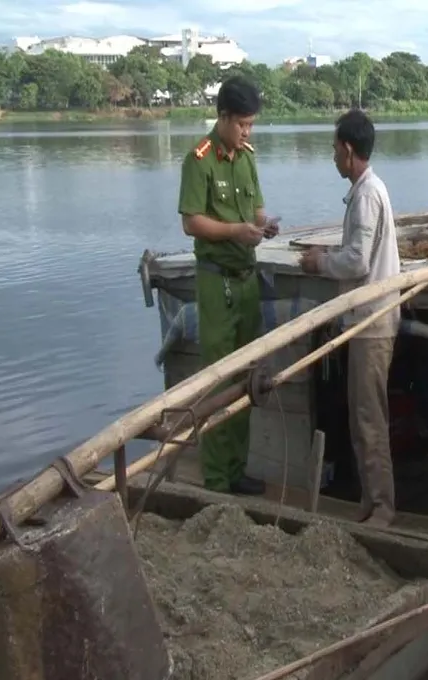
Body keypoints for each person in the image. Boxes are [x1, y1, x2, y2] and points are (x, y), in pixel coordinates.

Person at [177, 76, 279, 495]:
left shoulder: (247, 158)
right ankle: (218, 477)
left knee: (247, 376)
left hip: (246, 278)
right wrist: (235, 230)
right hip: (216, 280)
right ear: (222, 117)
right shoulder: (199, 159)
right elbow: (191, 222)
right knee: (219, 379)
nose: (247, 132)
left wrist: (263, 225)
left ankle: (238, 468)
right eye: (241, 124)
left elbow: (256, 210)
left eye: (251, 125)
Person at [300, 109, 401, 528]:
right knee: (363, 415)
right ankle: (369, 500)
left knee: (368, 416)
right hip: (369, 319)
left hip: (371, 322)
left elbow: (358, 261)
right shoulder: (368, 190)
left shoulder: (366, 194)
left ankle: (382, 507)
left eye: (334, 149)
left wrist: (320, 263)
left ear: (347, 149)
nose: (332, 157)